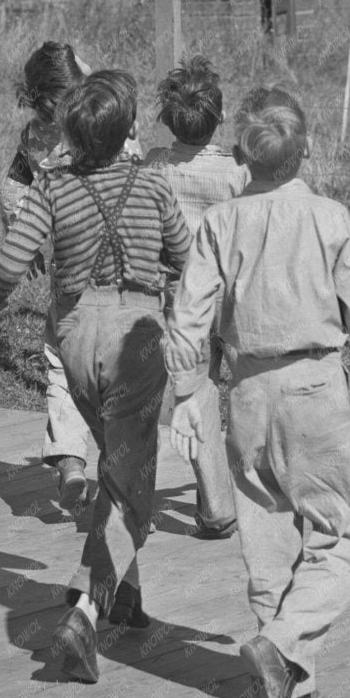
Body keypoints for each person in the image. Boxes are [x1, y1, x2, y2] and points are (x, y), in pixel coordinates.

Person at [165, 85, 350, 698]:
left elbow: (187, 323)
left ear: (241, 156)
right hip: (316, 388)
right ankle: (286, 643)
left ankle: (293, 678)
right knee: (342, 539)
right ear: (308, 151)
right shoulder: (329, 218)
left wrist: (186, 397)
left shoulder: (218, 225)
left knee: (266, 536)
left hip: (248, 396)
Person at [0, 70, 190, 684]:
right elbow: (189, 256)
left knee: (116, 468)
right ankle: (87, 614)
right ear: (128, 134)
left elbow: (13, 260)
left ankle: (127, 595)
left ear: (69, 134)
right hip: (136, 340)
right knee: (130, 481)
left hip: (76, 338)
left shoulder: (51, 189)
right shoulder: (152, 184)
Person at [145, 55, 249, 542]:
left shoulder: (154, 167)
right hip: (231, 294)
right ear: (221, 117)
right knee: (249, 386)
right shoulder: (237, 173)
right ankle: (263, 485)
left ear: (167, 120)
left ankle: (216, 507)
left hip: (178, 295)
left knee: (197, 393)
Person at [0, 40, 94, 509]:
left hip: (72, 271)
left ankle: (71, 458)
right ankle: (110, 478)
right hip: (115, 269)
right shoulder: (101, 120)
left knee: (64, 365)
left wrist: (22, 230)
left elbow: (11, 186)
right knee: (88, 368)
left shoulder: (34, 136)